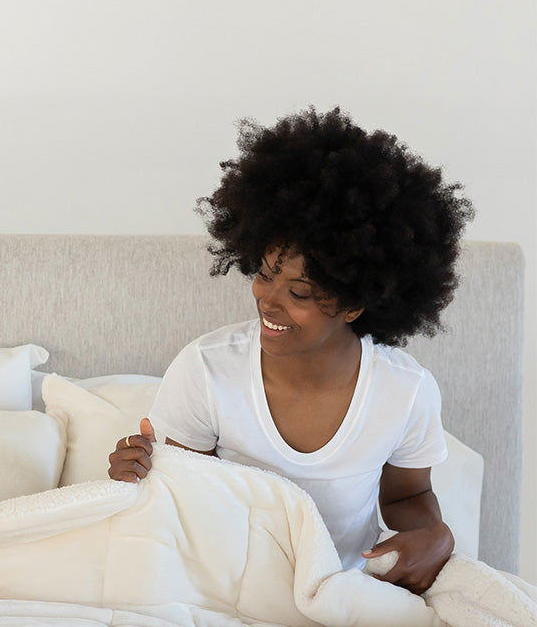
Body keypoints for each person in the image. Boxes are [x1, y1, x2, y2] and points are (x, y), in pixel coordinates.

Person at [108, 107, 474, 594]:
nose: (267, 299)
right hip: (221, 590)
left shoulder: (404, 392)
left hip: (340, 595)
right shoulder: (207, 367)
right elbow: (181, 503)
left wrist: (434, 534)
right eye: (263, 273)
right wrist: (136, 476)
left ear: (354, 304)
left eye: (299, 293)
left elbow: (410, 494)